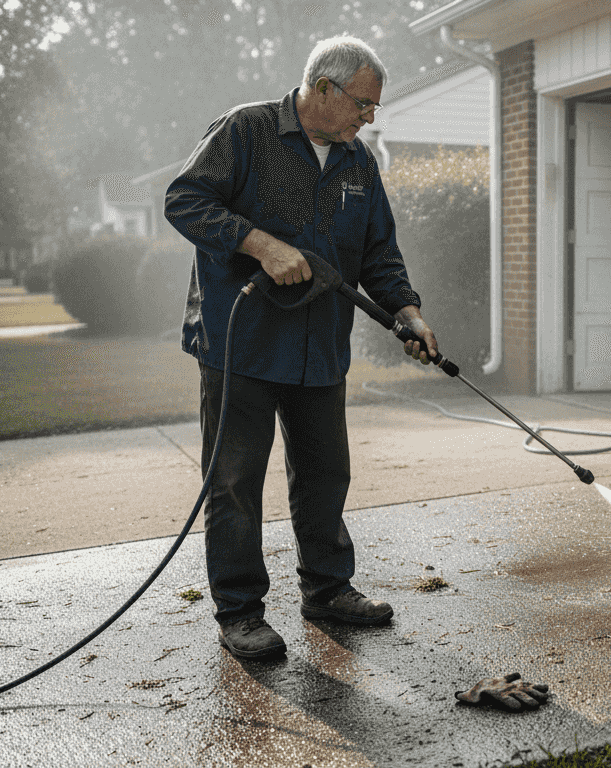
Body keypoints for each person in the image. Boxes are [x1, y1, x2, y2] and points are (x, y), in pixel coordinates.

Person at [165, 36, 437, 660]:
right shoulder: (246, 131)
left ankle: (327, 589)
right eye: (364, 104)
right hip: (244, 346)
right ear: (323, 89)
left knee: (324, 473)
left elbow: (377, 251)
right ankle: (240, 613)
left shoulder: (357, 163)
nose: (370, 117)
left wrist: (409, 312)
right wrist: (261, 245)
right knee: (235, 482)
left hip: (320, 346)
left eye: (373, 108)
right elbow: (183, 201)